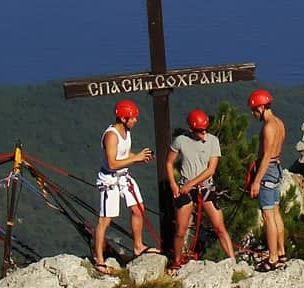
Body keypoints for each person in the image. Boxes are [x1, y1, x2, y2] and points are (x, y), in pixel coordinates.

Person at [93, 99, 153, 272]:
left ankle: (138, 246)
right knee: (105, 220)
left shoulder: (126, 131)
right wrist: (136, 158)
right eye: (132, 118)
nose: (135, 120)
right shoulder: (112, 135)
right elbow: (112, 163)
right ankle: (99, 258)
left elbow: (124, 154)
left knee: (138, 208)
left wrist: (139, 157)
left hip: (123, 176)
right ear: (123, 118)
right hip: (110, 179)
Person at [168, 108, 235, 265]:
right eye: (200, 131)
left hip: (204, 188)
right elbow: (169, 163)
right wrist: (173, 184)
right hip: (185, 189)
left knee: (219, 227)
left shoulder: (213, 141)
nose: (203, 134)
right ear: (191, 129)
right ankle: (177, 262)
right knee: (180, 230)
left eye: (205, 130)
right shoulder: (180, 141)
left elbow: (211, 169)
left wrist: (190, 184)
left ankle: (232, 262)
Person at [247, 89, 287, 269]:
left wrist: (256, 181)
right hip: (276, 168)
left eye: (255, 110)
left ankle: (272, 258)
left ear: (262, 107)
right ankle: (281, 252)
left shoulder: (269, 126)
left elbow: (266, 156)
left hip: (268, 169)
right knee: (276, 212)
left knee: (267, 214)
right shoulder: (280, 123)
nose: (254, 113)